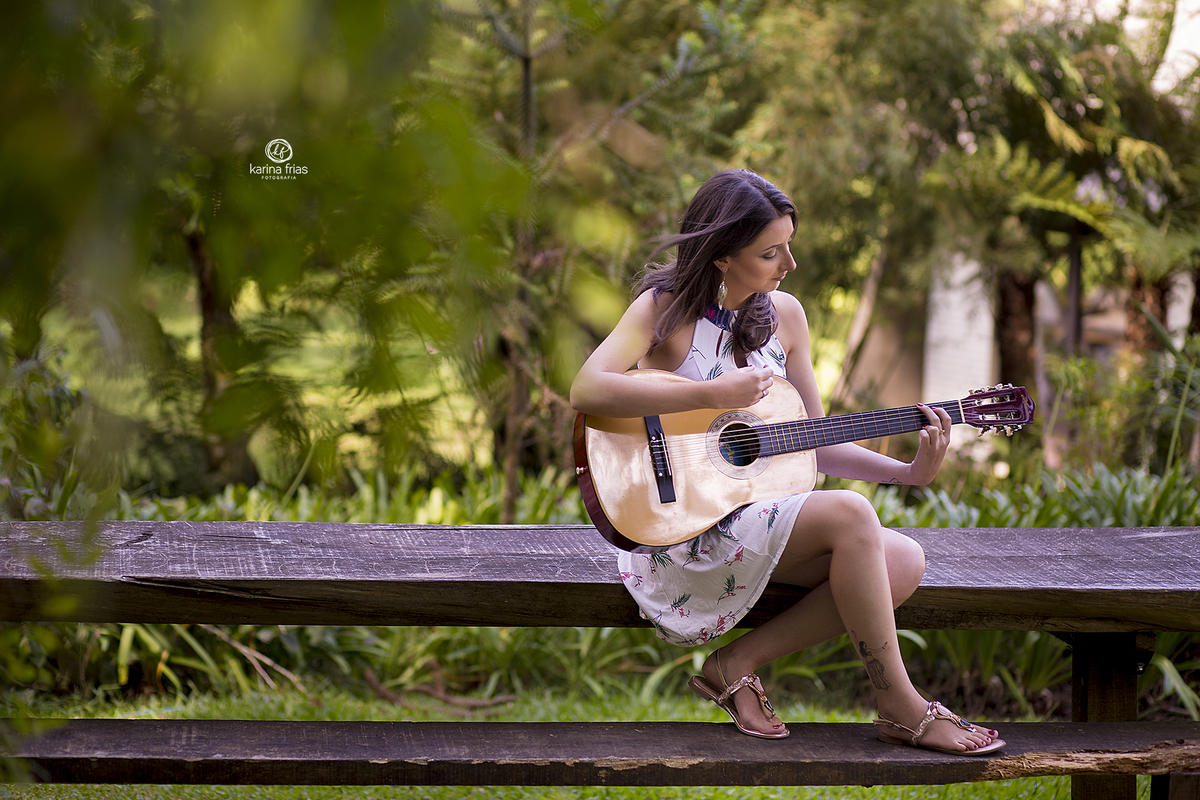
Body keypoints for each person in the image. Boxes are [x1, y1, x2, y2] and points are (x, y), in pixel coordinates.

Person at [569, 169, 1004, 755]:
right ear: (721, 256)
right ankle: (900, 704)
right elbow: (588, 390)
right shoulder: (664, 310)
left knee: (903, 559)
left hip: (751, 519)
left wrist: (909, 472)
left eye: (789, 245)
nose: (789, 264)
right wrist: (708, 395)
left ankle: (739, 662)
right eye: (771, 252)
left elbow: (813, 441)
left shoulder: (786, 318)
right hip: (681, 530)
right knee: (854, 517)